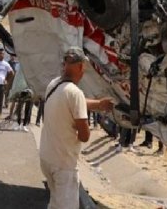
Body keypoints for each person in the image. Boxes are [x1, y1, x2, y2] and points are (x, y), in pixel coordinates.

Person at [39, 48, 114, 209]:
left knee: (55, 203)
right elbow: (84, 136)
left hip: (47, 158)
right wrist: (81, 125)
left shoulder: (54, 84)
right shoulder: (75, 93)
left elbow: (73, 101)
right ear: (80, 67)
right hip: (64, 164)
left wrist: (99, 105)